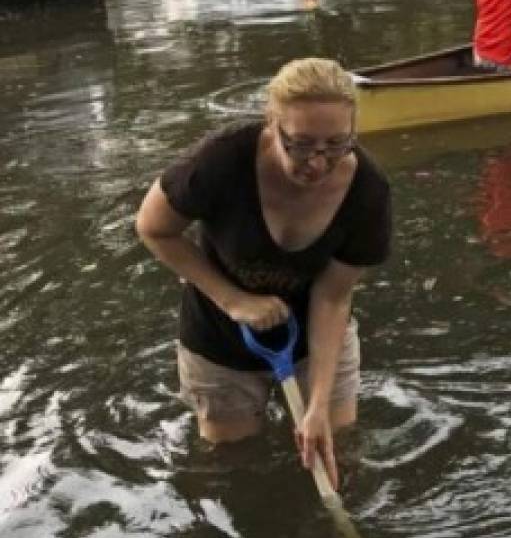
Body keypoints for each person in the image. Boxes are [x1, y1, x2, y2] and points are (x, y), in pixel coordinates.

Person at [135, 57, 391, 489]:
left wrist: (317, 406)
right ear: (272, 124)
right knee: (234, 468)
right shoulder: (219, 161)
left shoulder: (369, 191)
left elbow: (332, 298)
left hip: (316, 335)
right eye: (301, 144)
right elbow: (154, 229)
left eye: (336, 144)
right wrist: (234, 300)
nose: (317, 163)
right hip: (219, 334)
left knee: (337, 450)